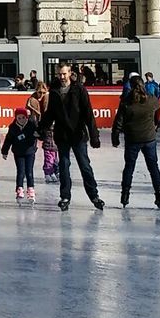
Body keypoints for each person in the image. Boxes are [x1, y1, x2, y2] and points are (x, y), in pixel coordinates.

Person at [41, 62, 105, 212]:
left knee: (84, 166)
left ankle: (94, 195)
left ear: (70, 73)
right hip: (62, 134)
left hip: (78, 134)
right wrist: (41, 129)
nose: (62, 77)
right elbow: (50, 113)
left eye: (64, 73)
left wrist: (94, 135)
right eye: (59, 74)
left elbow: (88, 113)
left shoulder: (79, 89)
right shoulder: (55, 90)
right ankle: (65, 197)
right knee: (63, 166)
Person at [112, 81, 160, 209]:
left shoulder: (126, 101)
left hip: (133, 139)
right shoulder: (151, 99)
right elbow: (159, 108)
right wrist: (155, 123)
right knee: (153, 168)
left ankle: (125, 195)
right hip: (149, 138)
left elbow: (119, 121)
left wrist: (115, 137)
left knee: (129, 168)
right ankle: (159, 194)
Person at [1, 106, 39, 202]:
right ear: (16, 118)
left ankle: (30, 189)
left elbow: (40, 134)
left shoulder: (31, 125)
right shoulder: (13, 127)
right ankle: (19, 188)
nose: (21, 120)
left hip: (30, 152)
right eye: (19, 118)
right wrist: (4, 151)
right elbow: (8, 140)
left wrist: (39, 135)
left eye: (23, 118)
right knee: (21, 171)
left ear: (26, 117)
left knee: (29, 172)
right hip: (18, 153)